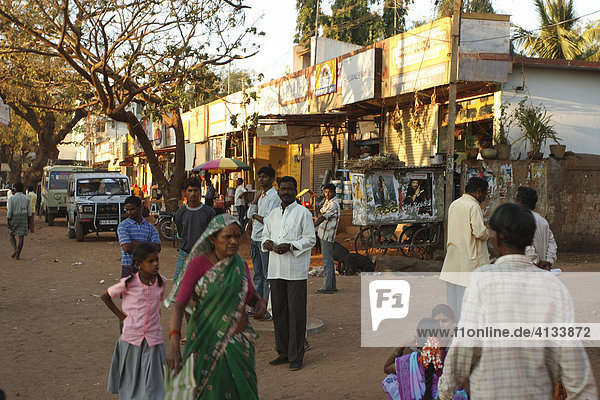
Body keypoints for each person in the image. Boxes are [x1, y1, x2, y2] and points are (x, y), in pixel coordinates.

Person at [437, 203, 598, 399]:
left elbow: (464, 348)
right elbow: (571, 359)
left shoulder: (482, 280)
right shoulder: (554, 286)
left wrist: (444, 393)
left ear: (499, 238)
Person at [164, 214, 267, 399]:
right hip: (206, 346)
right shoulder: (198, 265)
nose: (234, 242)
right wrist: (174, 345)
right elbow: (179, 306)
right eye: (227, 237)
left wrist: (260, 304)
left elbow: (251, 296)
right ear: (213, 238)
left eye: (237, 236)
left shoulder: (240, 265)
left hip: (239, 346)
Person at [262, 176, 317, 371]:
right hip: (275, 270)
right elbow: (264, 236)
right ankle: (283, 352)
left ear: (295, 191)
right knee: (279, 313)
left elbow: (311, 239)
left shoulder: (303, 213)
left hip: (295, 271)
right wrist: (267, 243)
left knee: (296, 314)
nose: (286, 192)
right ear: (278, 191)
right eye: (283, 189)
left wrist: (292, 246)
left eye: (290, 189)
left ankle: (296, 356)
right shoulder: (272, 215)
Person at [101, 243, 167, 400]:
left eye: (157, 260)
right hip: (132, 339)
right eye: (150, 261)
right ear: (138, 264)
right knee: (131, 383)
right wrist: (122, 317)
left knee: (154, 385)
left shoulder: (161, 282)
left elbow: (158, 307)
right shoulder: (128, 283)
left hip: (153, 340)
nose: (156, 264)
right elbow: (105, 296)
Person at [439, 177, 489, 317]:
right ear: (479, 192)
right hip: (469, 263)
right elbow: (479, 232)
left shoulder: (454, 204)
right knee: (466, 307)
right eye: (485, 194)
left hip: (453, 261)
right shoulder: (473, 206)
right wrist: (488, 231)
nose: (485, 198)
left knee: (452, 305)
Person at [382, 318, 467, 400]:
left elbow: (387, 368)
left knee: (391, 380)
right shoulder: (450, 358)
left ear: (417, 341)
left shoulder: (409, 361)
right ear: (439, 339)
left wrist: (403, 345)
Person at [246, 166, 281, 318]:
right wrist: (254, 202)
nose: (261, 179)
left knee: (267, 276)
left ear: (272, 179)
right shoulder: (260, 196)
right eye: (260, 177)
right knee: (258, 275)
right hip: (255, 238)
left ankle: (266, 308)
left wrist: (255, 215)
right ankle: (257, 306)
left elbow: (268, 220)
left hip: (265, 240)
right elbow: (249, 215)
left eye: (265, 177)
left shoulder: (274, 197)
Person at [173, 177, 215, 282]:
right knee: (178, 282)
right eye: (190, 191)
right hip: (185, 254)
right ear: (185, 193)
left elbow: (213, 234)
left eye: (196, 190)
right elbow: (181, 233)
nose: (193, 194)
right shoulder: (180, 214)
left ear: (200, 192)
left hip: (204, 255)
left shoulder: (209, 212)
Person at [117, 196, 161, 278]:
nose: (129, 212)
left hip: (146, 268)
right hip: (128, 268)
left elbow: (157, 248)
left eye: (132, 209)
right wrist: (149, 246)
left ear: (140, 208)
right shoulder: (123, 226)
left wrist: (133, 242)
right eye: (127, 210)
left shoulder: (150, 227)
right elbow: (126, 247)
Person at [516, 186, 558, 270]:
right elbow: (552, 244)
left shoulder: (519, 221)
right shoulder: (543, 221)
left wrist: (538, 262)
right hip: (542, 269)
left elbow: (526, 246)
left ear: (519, 201)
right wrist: (548, 261)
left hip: (527, 268)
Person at [314, 183, 340, 294]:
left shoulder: (333, 204)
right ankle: (332, 286)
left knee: (327, 261)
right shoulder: (327, 202)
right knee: (328, 260)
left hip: (327, 235)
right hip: (323, 233)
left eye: (329, 192)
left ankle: (327, 287)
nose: (327, 194)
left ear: (334, 192)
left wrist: (311, 227)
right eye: (325, 192)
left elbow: (322, 216)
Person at [7, 182, 34, 260]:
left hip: (14, 217)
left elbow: (9, 211)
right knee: (21, 237)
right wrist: (29, 223)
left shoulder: (12, 198)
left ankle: (15, 249)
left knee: (12, 234)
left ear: (15, 189)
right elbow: (29, 212)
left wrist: (8, 220)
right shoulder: (27, 198)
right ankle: (18, 254)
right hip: (24, 217)